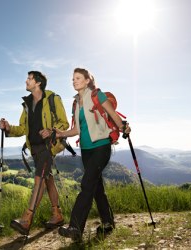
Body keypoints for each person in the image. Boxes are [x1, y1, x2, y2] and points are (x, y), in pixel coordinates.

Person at [55, 68, 131, 241]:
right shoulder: (75, 102)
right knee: (96, 187)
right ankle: (108, 222)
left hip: (101, 147)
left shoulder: (97, 95)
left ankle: (75, 226)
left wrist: (124, 127)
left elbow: (114, 116)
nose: (74, 81)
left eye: (78, 78)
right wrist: (60, 133)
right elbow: (76, 130)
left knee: (87, 183)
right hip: (86, 151)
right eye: (73, 78)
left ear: (88, 80)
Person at [0, 71, 69, 235]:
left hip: (48, 147)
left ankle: (26, 219)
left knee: (39, 179)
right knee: (48, 179)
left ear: (38, 83)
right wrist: (8, 127)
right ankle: (57, 214)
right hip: (34, 149)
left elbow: (64, 123)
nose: (26, 81)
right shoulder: (27, 104)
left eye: (29, 79)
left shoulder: (53, 99)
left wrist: (51, 130)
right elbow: (23, 128)